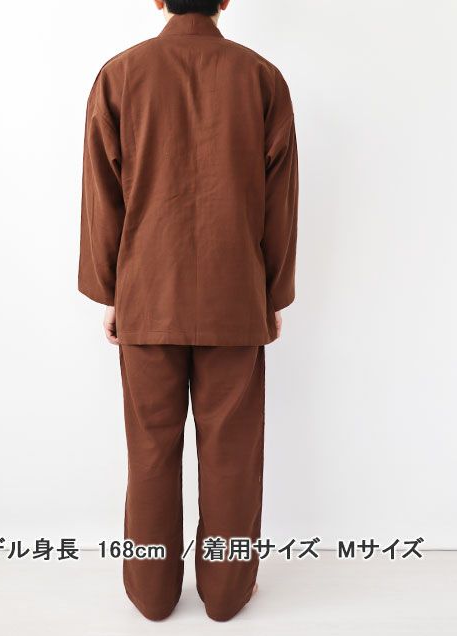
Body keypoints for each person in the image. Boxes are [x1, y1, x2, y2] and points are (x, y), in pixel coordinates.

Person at [78, 0, 299, 622]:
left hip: (149, 295)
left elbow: (102, 193)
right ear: (225, 0)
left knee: (150, 450)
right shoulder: (261, 77)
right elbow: (280, 200)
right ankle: (227, 593)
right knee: (232, 452)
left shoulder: (120, 75)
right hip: (235, 297)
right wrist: (272, 294)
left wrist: (112, 292)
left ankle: (150, 594)